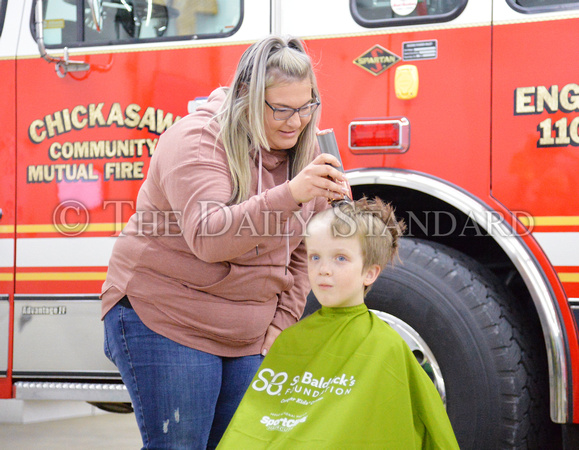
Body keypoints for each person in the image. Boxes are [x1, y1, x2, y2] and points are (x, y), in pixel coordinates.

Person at [101, 34, 350, 449]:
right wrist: (291, 194)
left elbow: (308, 251)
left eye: (306, 107)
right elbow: (209, 237)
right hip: (168, 317)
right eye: (281, 109)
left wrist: (279, 326)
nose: (296, 121)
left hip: (247, 332)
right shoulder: (197, 139)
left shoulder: (304, 153)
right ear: (246, 97)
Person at [217, 198, 460, 449]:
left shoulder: (386, 348)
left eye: (340, 258)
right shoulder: (290, 340)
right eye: (315, 257)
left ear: (370, 272)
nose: (323, 269)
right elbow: (257, 426)